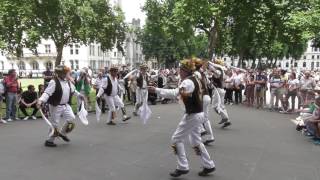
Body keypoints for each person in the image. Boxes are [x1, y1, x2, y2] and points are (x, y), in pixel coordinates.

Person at [148, 59, 216, 177]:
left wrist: (156, 90)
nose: (179, 71)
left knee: (176, 139)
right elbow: (183, 95)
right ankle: (208, 165)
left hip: (193, 115)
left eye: (181, 69)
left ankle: (183, 166)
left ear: (184, 70)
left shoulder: (188, 82)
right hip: (197, 113)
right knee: (196, 141)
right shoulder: (195, 79)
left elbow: (176, 93)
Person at [37, 65, 84, 147]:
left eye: (67, 73)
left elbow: (73, 90)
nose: (67, 74)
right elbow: (47, 93)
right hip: (56, 106)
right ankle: (49, 141)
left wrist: (79, 95)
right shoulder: (54, 82)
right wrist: (40, 100)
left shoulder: (68, 81)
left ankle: (62, 133)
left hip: (66, 105)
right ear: (60, 73)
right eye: (66, 73)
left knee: (71, 118)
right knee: (54, 124)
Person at [209, 59, 231, 128]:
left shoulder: (218, 71)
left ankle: (225, 117)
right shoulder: (222, 71)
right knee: (221, 106)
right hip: (220, 90)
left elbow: (217, 74)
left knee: (215, 106)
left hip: (218, 90)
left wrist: (212, 68)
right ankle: (226, 120)